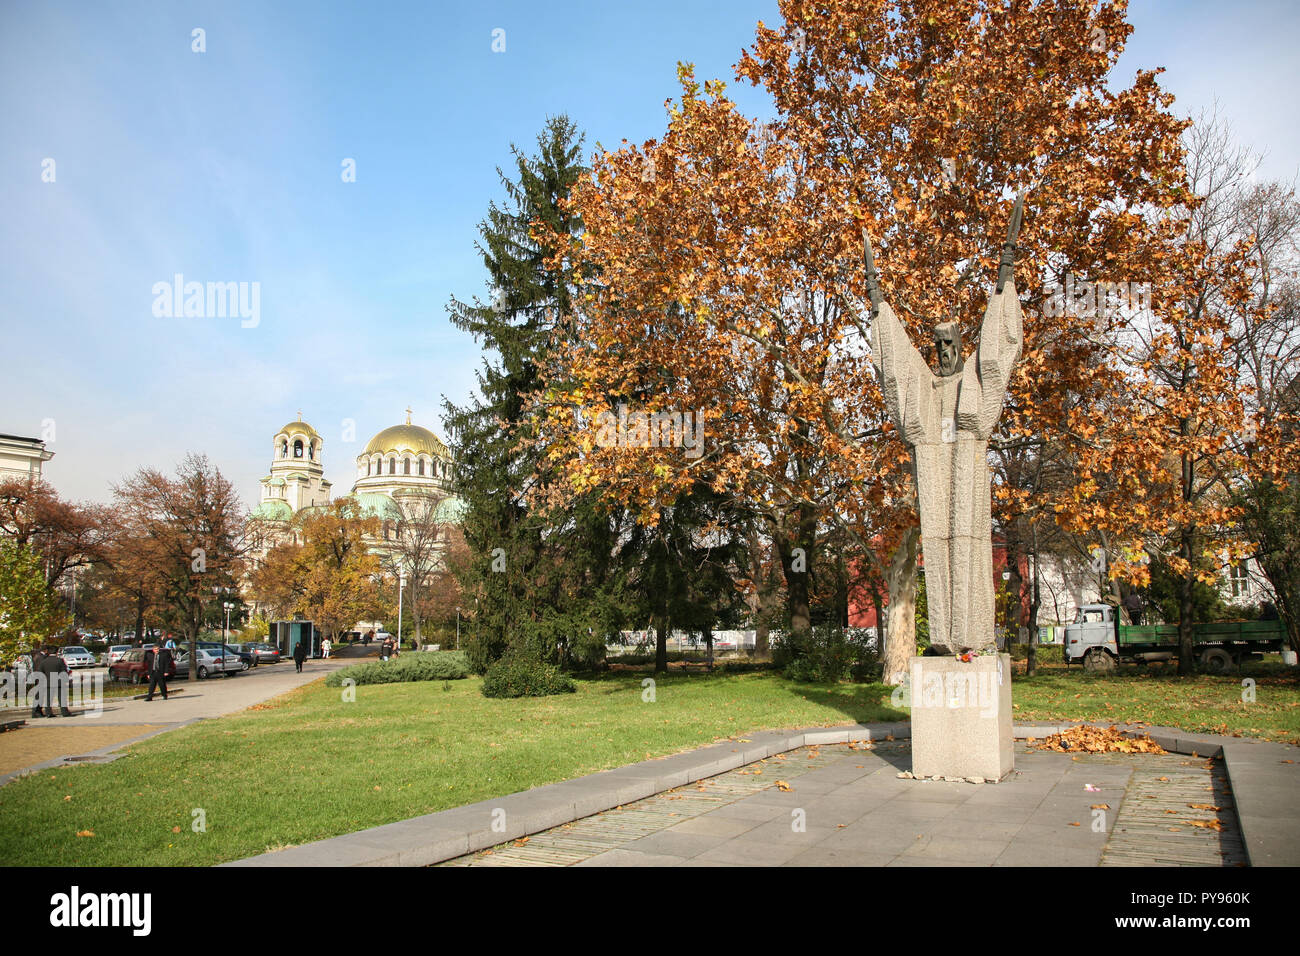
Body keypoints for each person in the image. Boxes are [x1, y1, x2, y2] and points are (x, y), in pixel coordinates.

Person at [36, 646, 72, 717]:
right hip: (58, 682)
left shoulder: (44, 661)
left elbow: (40, 672)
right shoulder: (59, 660)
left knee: (48, 698)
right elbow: (64, 671)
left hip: (48, 682)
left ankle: (48, 713)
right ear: (56, 652)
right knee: (61, 698)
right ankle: (64, 712)